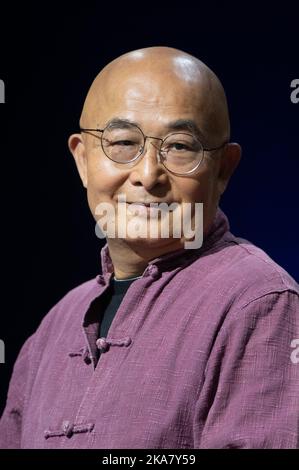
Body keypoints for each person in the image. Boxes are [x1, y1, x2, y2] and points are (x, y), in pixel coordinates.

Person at [0, 46, 298, 449]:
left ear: (224, 168)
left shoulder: (259, 303)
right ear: (82, 159)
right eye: (122, 142)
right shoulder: (54, 327)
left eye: (179, 146)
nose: (147, 175)